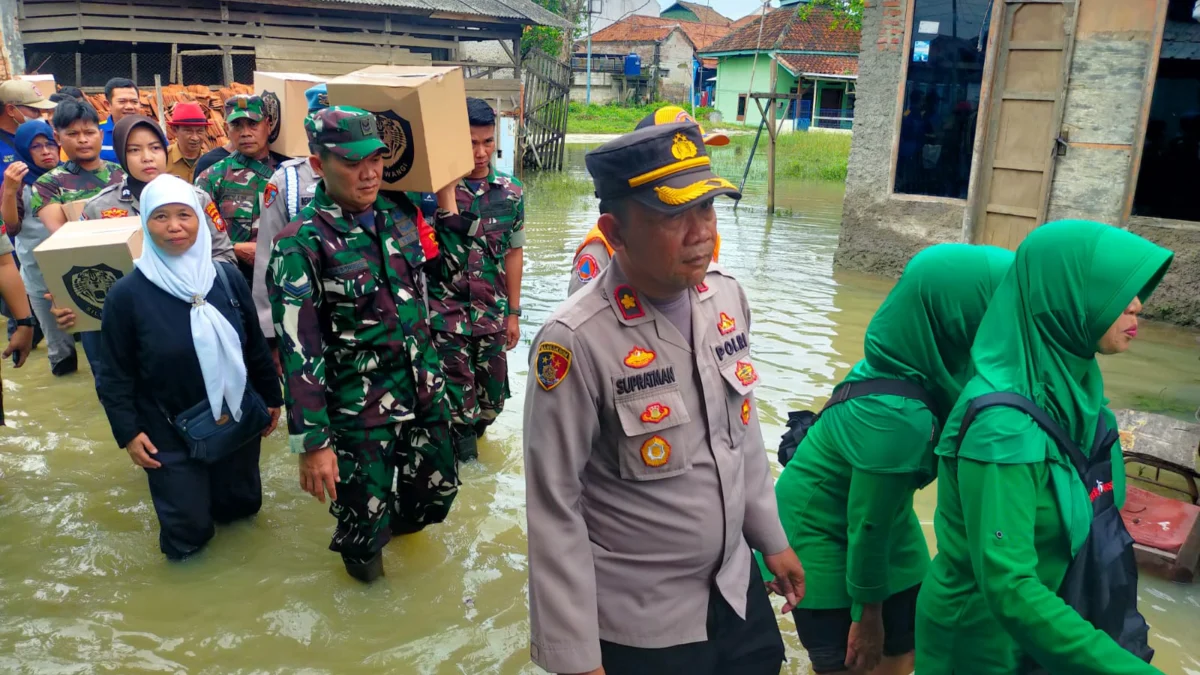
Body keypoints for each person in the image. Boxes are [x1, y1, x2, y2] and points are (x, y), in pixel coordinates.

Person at [523, 122, 805, 675]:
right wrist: (576, 656)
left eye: (707, 208)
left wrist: (771, 539)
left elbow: (740, 436)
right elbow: (554, 507)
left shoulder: (726, 298)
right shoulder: (575, 341)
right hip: (642, 623)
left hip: (735, 592)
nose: (700, 232)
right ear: (616, 232)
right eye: (674, 215)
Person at [915, 220, 1173, 674]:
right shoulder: (1002, 426)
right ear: (1066, 298)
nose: (1137, 305)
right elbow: (1009, 585)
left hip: (1060, 625)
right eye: (1116, 291)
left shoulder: (1080, 396)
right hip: (986, 648)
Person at [773, 243, 1013, 675]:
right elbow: (866, 527)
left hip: (883, 514)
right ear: (959, 314)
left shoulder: (914, 360)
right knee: (861, 662)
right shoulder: (896, 412)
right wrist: (867, 617)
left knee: (907, 653)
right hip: (822, 534)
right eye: (999, 306)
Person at [267, 106, 460, 583]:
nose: (369, 172)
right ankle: (373, 607)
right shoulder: (301, 244)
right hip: (359, 415)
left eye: (375, 159)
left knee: (439, 495)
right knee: (362, 538)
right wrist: (312, 443)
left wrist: (449, 200)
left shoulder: (398, 217)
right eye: (352, 162)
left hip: (422, 393)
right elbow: (298, 350)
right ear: (319, 165)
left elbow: (445, 279)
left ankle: (392, 529)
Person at [96, 174, 281, 560]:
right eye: (161, 217)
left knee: (241, 510)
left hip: (234, 415)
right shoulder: (126, 295)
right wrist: (128, 433)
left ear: (200, 219)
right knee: (189, 533)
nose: (175, 226)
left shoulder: (226, 278)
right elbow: (113, 372)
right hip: (165, 429)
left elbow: (254, 346)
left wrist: (271, 398)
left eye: (184, 215)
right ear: (145, 222)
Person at [428, 98, 525, 461]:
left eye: (487, 141)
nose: (481, 152)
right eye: (471, 142)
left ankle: (472, 437)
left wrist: (513, 312)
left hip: (492, 316)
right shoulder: (431, 194)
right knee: (458, 409)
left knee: (492, 403)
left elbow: (514, 253)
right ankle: (467, 476)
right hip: (444, 316)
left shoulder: (511, 191)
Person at [567, 105, 726, 297]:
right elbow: (584, 311)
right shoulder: (602, 247)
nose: (697, 158)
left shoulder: (707, 238)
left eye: (699, 147)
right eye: (679, 150)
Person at [81, 114, 235, 266]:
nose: (147, 157)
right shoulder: (99, 207)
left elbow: (224, 256)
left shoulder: (196, 199)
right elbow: (86, 262)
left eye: (155, 148)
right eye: (134, 150)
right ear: (121, 154)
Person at [251, 83, 327, 343]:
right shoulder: (287, 180)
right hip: (303, 315)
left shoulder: (370, 177)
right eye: (319, 122)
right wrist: (270, 332)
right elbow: (266, 256)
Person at [1, 119, 77, 375]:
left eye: (49, 144)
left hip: (76, 272)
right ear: (24, 151)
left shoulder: (70, 176)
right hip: (39, 276)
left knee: (92, 341)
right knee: (60, 351)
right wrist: (9, 192)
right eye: (36, 147)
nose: (46, 151)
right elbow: (11, 227)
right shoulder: (17, 184)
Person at [195, 94, 288, 284]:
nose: (245, 133)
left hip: (283, 279)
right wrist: (236, 248)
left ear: (268, 125)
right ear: (226, 129)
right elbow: (197, 236)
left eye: (253, 124)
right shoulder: (212, 177)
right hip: (234, 281)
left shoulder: (289, 174)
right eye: (237, 125)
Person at [32, 100, 124, 233]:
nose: (83, 140)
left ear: (101, 135)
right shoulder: (47, 185)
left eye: (89, 132)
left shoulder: (124, 174)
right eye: (72, 134)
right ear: (57, 138)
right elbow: (62, 233)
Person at [165, 102, 210, 183]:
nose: (195, 138)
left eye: (200, 131)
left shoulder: (212, 162)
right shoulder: (162, 160)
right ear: (174, 130)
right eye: (188, 131)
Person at [98, 78, 140, 163]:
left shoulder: (151, 131)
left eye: (134, 101)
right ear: (107, 105)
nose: (129, 107)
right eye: (122, 101)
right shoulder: (96, 132)